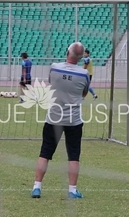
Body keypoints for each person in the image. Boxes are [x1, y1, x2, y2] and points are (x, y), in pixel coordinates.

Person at [31, 42, 89, 199]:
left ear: (67, 52)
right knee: (74, 156)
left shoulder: (54, 67)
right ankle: (72, 190)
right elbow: (84, 93)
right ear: (81, 57)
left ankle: (37, 187)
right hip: (74, 120)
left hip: (54, 117)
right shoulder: (84, 74)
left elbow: (51, 84)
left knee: (45, 153)